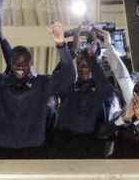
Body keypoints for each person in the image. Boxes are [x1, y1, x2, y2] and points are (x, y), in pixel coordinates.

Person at [0, 18, 75, 159]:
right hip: (0, 152)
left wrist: (61, 44)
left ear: (31, 64)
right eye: (17, 62)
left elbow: (69, 75)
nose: (20, 66)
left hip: (34, 153)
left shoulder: (42, 84)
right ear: (10, 63)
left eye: (24, 63)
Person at [50, 31, 121, 159]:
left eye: (86, 65)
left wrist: (92, 57)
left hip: (92, 148)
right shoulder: (69, 88)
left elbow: (108, 92)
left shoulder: (103, 89)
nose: (83, 68)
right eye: (80, 64)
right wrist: (71, 53)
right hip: (64, 147)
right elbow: (56, 79)